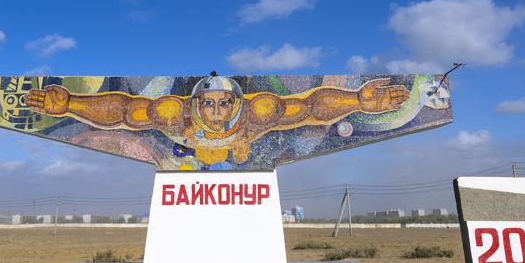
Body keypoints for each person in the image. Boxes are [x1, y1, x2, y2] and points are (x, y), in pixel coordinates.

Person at [24, 73, 411, 166]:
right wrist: (70, 103)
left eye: (223, 104)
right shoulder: (173, 113)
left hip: (242, 154)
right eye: (207, 104)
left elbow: (310, 107)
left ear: (237, 104)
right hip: (184, 155)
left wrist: (360, 100)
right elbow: (124, 111)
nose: (214, 113)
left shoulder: (260, 112)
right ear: (196, 104)